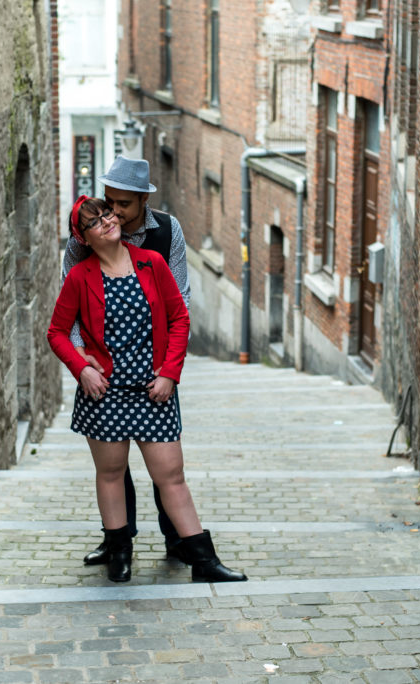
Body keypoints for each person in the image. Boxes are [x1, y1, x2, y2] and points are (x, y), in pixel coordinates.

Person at [48, 196, 246, 584]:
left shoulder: (150, 263)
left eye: (107, 213)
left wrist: (171, 372)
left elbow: (179, 318)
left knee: (171, 475)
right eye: (95, 221)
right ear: (84, 238)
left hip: (153, 391)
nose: (107, 221)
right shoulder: (80, 277)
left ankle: (203, 560)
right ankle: (119, 553)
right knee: (110, 473)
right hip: (104, 395)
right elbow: (56, 332)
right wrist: (81, 369)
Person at [61, 156, 191, 567]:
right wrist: (83, 361)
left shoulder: (166, 233)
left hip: (152, 372)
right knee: (114, 465)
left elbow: (180, 301)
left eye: (123, 205)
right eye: (109, 202)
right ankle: (119, 542)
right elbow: (71, 306)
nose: (113, 212)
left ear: (143, 202)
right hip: (105, 374)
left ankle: (179, 541)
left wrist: (169, 368)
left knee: (162, 465)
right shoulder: (83, 237)